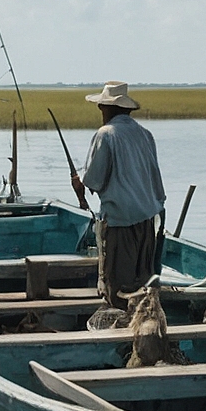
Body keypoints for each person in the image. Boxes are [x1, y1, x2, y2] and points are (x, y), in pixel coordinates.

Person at [75, 82, 166, 301]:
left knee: (118, 290)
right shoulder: (145, 134)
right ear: (127, 110)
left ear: (105, 108)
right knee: (143, 285)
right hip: (148, 221)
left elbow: (94, 180)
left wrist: (80, 185)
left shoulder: (105, 134)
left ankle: (122, 329)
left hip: (120, 223)